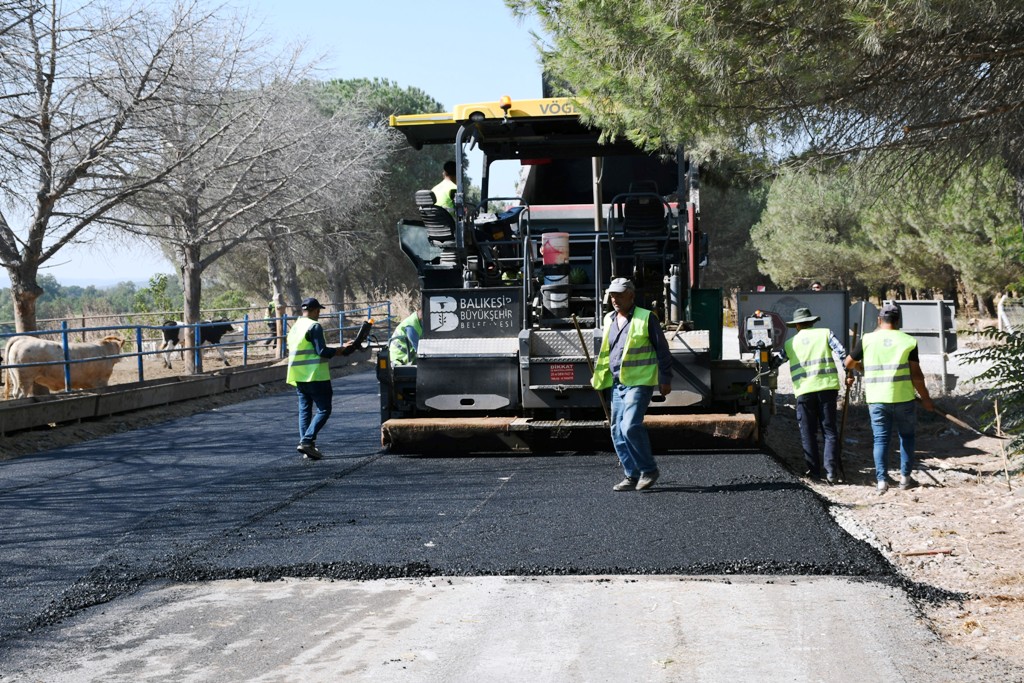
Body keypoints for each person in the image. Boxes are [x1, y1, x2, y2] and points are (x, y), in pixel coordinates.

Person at [590, 278, 673, 491]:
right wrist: (600, 378)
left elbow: (662, 350)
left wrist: (665, 378)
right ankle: (631, 475)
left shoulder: (646, 318)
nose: (614, 299)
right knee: (617, 430)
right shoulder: (609, 319)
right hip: (617, 383)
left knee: (630, 426)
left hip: (640, 383)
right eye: (612, 295)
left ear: (631, 296)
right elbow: (608, 352)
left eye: (619, 295)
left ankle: (649, 470)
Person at [844, 300, 935, 492]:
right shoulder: (908, 341)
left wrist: (860, 367)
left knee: (880, 440)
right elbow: (917, 375)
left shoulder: (867, 339)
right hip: (904, 398)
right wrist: (926, 398)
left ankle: (882, 481)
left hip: (877, 399)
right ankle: (905, 479)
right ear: (898, 320)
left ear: (879, 320)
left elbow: (848, 363)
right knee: (907, 437)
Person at [775, 307, 848, 484]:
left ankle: (814, 473)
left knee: (808, 433)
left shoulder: (789, 343)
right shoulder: (825, 334)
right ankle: (831, 472)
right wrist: (849, 373)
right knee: (829, 431)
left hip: (804, 392)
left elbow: (775, 362)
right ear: (812, 322)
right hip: (827, 389)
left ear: (797, 325)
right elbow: (843, 354)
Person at [286, 297, 356, 460]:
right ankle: (307, 441)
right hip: (315, 375)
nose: (319, 314)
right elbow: (321, 351)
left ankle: (307, 445)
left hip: (299, 375)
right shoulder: (314, 326)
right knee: (324, 409)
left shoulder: (296, 327)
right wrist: (341, 350)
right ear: (315, 310)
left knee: (305, 411)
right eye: (318, 311)